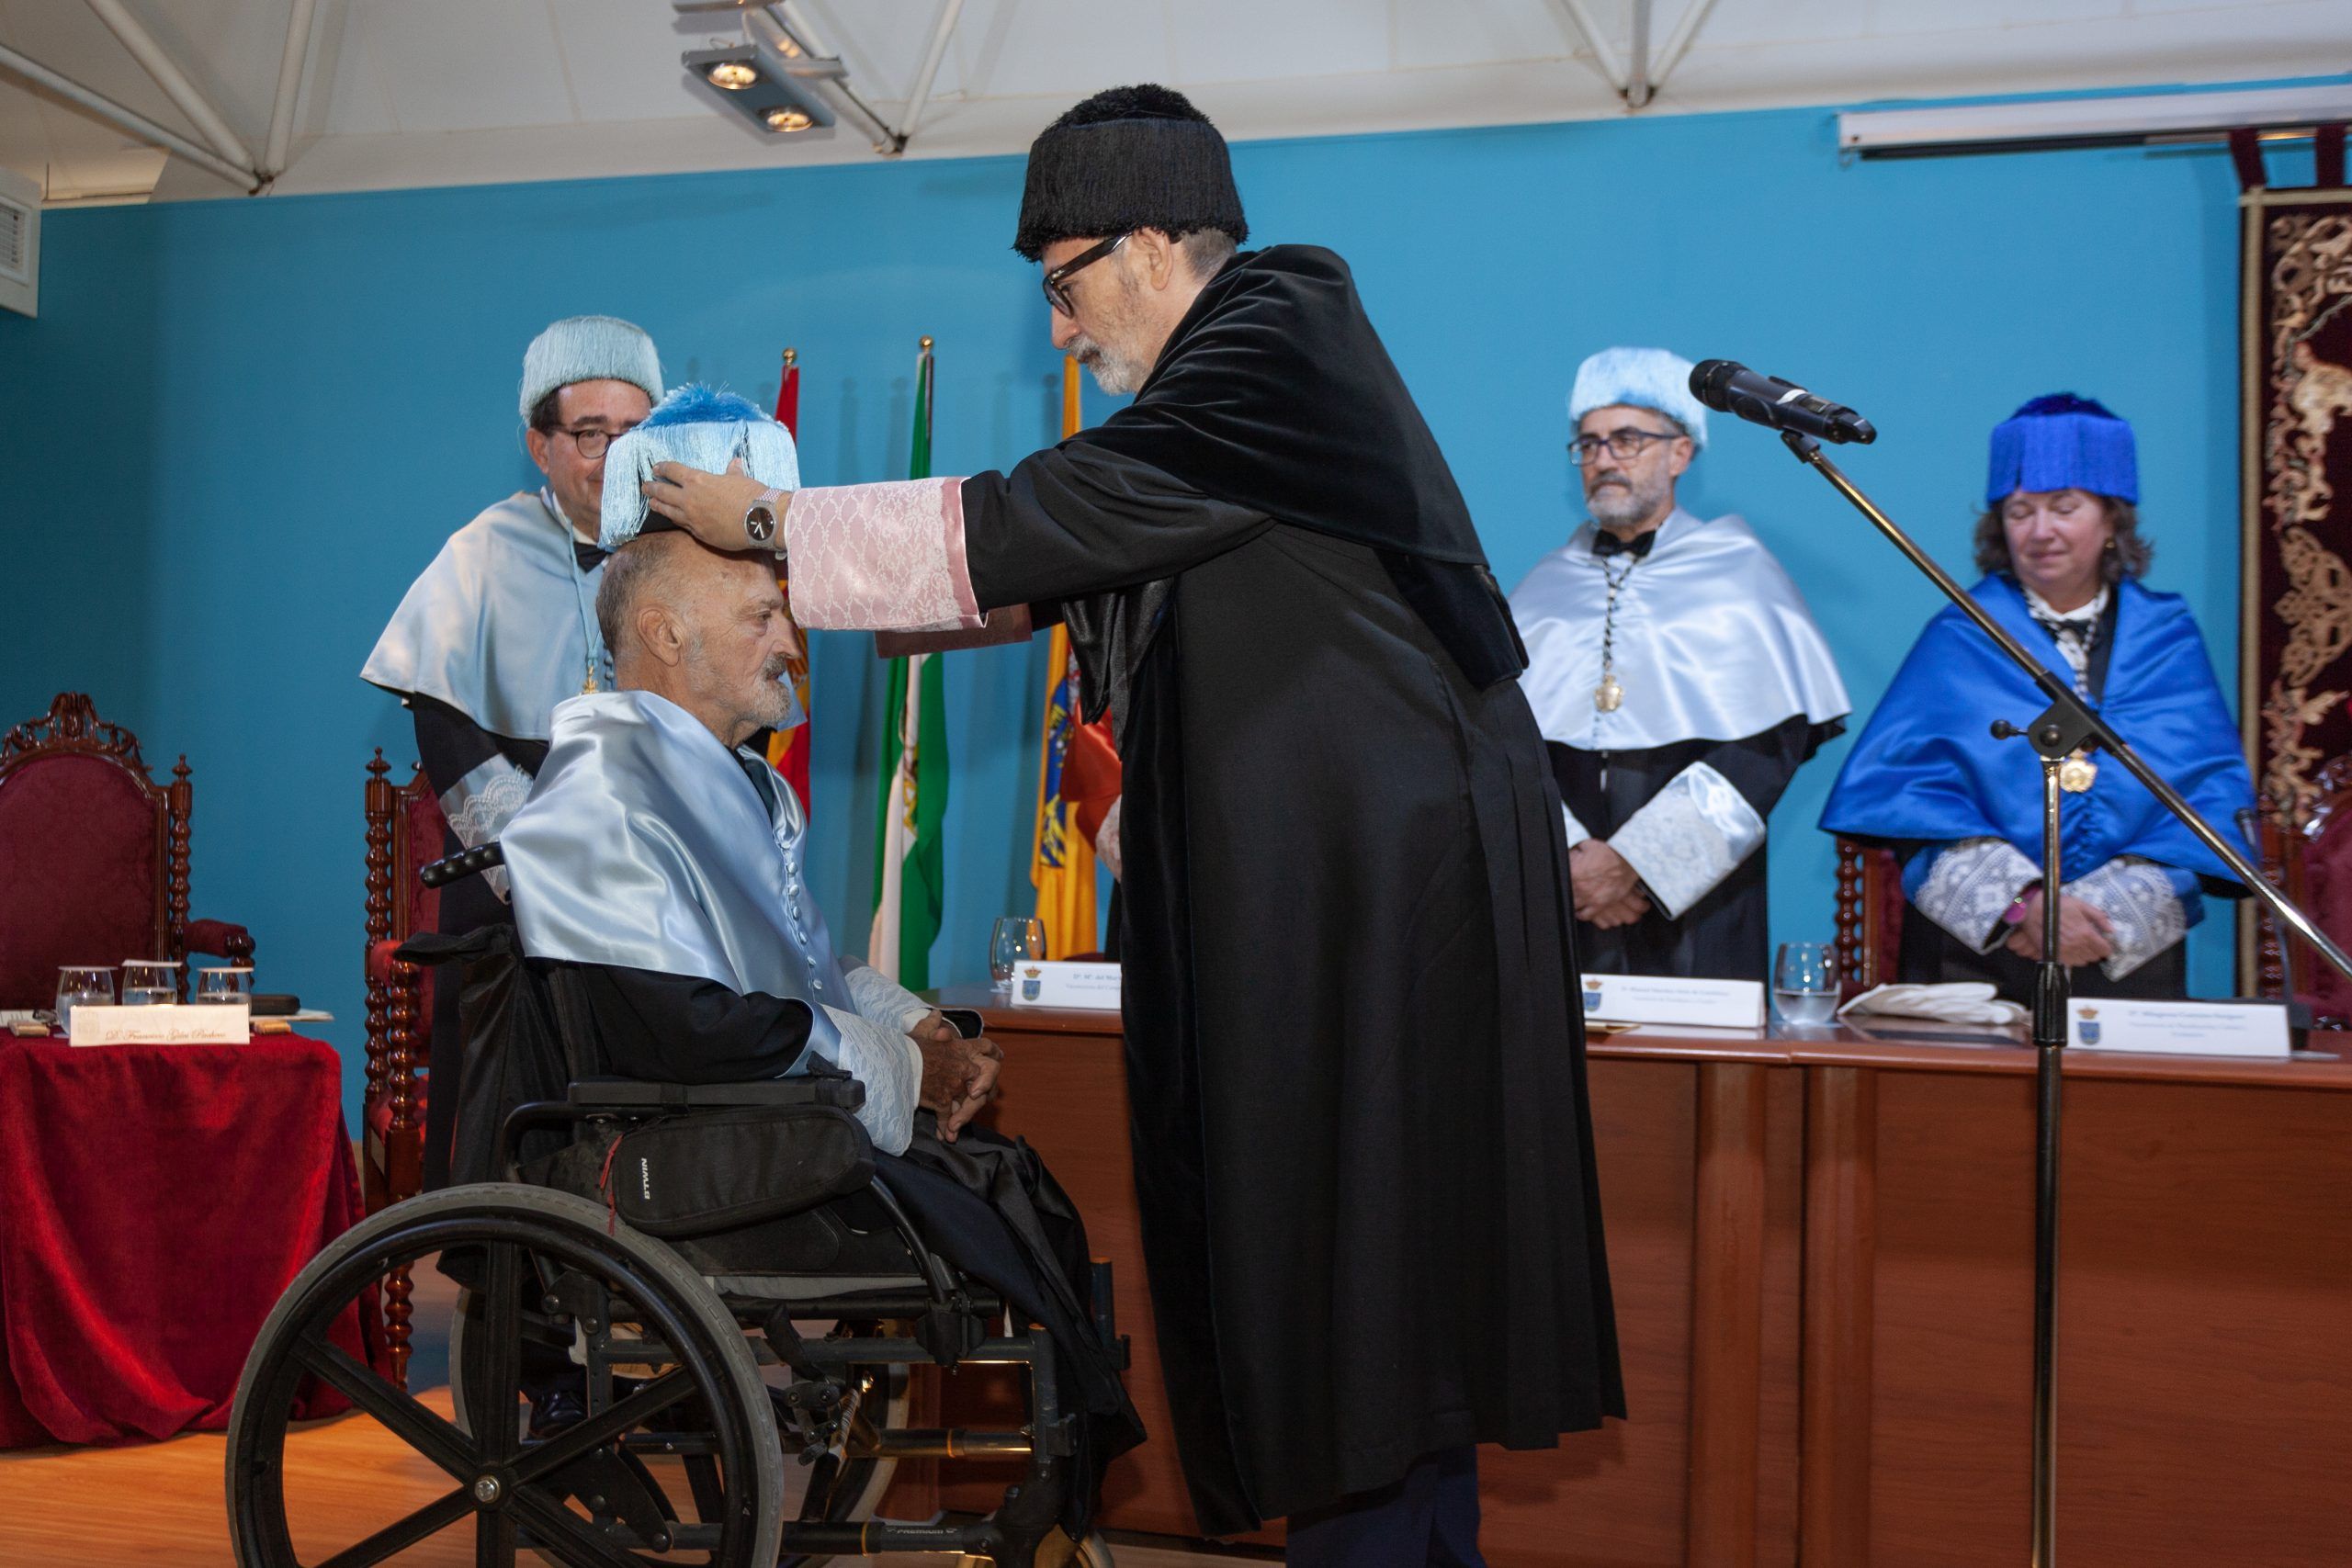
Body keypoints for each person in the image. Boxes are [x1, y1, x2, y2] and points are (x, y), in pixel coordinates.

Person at [638, 83, 1621, 1568]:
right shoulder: (1235, 399)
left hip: (1375, 896)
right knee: (1386, 1288)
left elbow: (1044, 520)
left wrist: (771, 524)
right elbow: (1065, 564)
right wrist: (823, 592)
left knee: (1355, 1279)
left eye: (1063, 283)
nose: (1057, 330)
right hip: (1362, 882)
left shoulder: (1275, 334)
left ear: (1153, 245)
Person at [502, 385, 1139, 1535]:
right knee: (998, 1194)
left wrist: (924, 1029)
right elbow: (697, 1027)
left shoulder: (725, 781)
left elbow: (795, 963)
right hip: (683, 1152)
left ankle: (1056, 1473)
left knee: (1013, 1181)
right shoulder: (598, 792)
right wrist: (901, 1067)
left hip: (761, 1124)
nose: (795, 644)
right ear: (666, 633)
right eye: (763, 616)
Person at [1819, 394, 2256, 999]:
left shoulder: (2168, 634)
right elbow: (1905, 799)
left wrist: (2094, 917)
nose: (2041, 531)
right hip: (1974, 959)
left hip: (2121, 951)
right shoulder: (1963, 633)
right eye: (2020, 511)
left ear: (2112, 519)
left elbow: (2204, 802)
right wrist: (2027, 908)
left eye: (2064, 507)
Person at [361, 313, 662, 1189]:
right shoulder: (483, 553)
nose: (614, 456)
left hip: (651, 879)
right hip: (510, 885)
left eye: (635, 433)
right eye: (591, 434)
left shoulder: (684, 553)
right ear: (540, 445)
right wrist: (539, 856)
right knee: (502, 1121)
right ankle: (492, 1267)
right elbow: (442, 718)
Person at [1510, 347, 1849, 982]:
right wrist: (1572, 856)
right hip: (1565, 898)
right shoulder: (1543, 587)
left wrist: (1634, 866)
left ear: (1681, 453)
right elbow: (1503, 745)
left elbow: (1765, 747)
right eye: (1588, 444)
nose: (1604, 459)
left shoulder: (1740, 572)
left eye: (1627, 439)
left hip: (1700, 908)